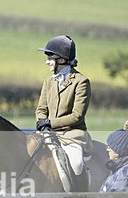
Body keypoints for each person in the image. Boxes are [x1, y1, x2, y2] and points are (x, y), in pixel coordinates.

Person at [34, 35, 92, 179]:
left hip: (72, 134)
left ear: (60, 60)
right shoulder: (48, 81)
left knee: (77, 164)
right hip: (48, 132)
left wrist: (50, 122)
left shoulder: (81, 82)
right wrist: (43, 123)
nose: (47, 62)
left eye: (49, 59)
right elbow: (41, 109)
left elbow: (77, 116)